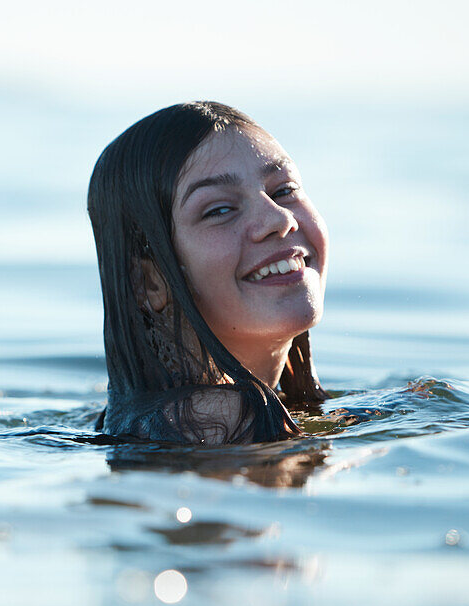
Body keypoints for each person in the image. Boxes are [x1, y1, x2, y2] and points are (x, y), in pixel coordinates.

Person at [88, 101, 328, 445]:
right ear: (151, 282)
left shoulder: (150, 417)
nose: (279, 219)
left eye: (284, 191)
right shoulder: (222, 419)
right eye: (220, 210)